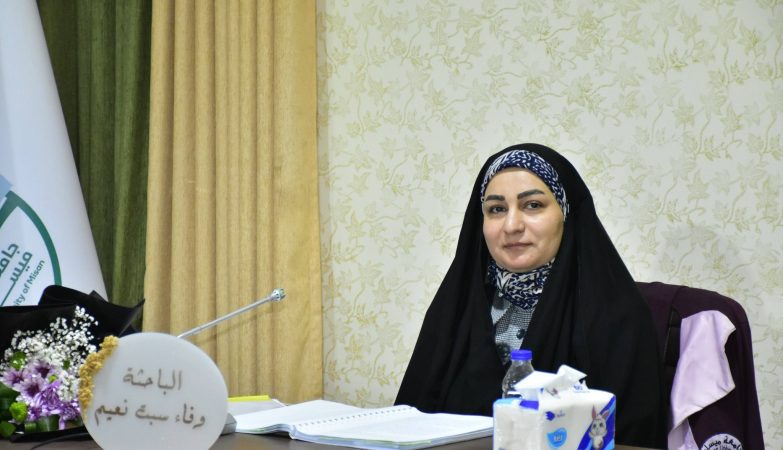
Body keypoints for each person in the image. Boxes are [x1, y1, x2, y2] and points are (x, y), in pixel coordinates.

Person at [395, 143, 666, 448]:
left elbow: (631, 438)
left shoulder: (618, 317)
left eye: (533, 205)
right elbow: (407, 424)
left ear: (566, 214)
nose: (512, 225)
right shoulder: (455, 312)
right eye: (496, 209)